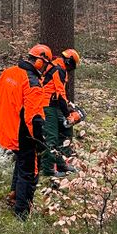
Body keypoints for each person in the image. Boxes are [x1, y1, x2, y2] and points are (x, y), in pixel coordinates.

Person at [0, 45, 51, 220]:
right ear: (40, 60)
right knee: (30, 171)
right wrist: (40, 141)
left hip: (6, 129)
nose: (46, 67)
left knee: (21, 162)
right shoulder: (32, 81)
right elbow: (33, 118)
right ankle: (22, 213)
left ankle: (14, 195)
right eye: (46, 63)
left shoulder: (8, 72)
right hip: (23, 134)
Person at [41, 48, 81, 177]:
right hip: (47, 105)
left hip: (53, 105)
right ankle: (48, 169)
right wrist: (67, 114)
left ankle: (61, 163)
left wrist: (67, 106)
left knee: (65, 131)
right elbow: (60, 94)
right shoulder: (58, 69)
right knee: (52, 137)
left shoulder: (58, 67)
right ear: (69, 62)